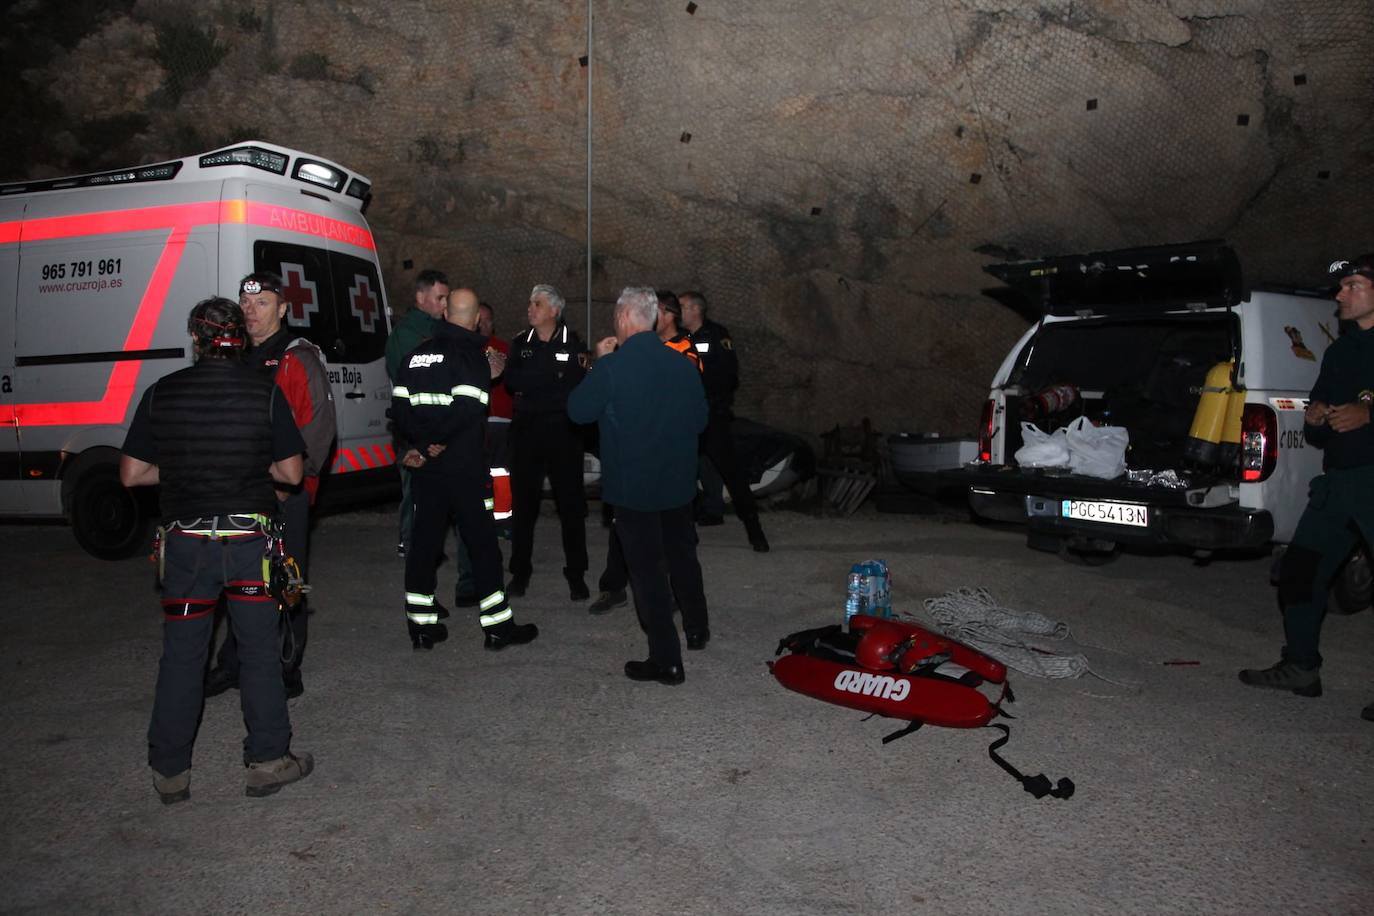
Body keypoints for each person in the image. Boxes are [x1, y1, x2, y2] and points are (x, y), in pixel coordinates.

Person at [120, 296, 313, 803]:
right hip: (249, 541)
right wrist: (246, 470)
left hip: (186, 546)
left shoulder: (162, 393)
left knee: (182, 656)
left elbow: (133, 473)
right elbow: (292, 473)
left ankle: (170, 773)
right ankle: (268, 762)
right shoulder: (263, 393)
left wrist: (185, 472)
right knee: (258, 652)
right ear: (240, 339)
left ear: (196, 339)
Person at [1240, 254, 1374, 722]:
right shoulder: (1340, 351)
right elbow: (1320, 419)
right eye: (1340, 287)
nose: (1340, 294)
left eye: (1352, 285)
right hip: (1339, 481)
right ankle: (1301, 666)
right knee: (1299, 570)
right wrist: (1315, 416)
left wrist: (1368, 415)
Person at [205, 271, 337, 701]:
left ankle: (287, 667)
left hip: (284, 495)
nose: (251, 312)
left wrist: (288, 485)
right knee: (238, 582)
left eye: (262, 303)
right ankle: (232, 664)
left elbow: (318, 430)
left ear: (282, 309)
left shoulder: (297, 358)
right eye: (246, 304)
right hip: (240, 492)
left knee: (286, 581)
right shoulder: (235, 358)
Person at [568, 287, 709, 685]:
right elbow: (700, 421)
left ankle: (667, 660)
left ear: (625, 319)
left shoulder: (612, 367)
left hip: (634, 489)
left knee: (647, 574)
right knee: (683, 556)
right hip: (678, 483)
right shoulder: (683, 364)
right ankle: (697, 628)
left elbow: (577, 410)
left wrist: (598, 362)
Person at [391, 287, 538, 652]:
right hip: (464, 468)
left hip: (427, 470)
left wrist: (420, 447)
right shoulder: (470, 357)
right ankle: (498, 628)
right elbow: (467, 411)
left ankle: (422, 627)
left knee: (424, 543)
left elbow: (400, 411)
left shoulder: (415, 356)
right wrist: (434, 443)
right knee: (483, 545)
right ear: (474, 319)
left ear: (444, 315)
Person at [588, 290, 703, 615]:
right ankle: (618, 589)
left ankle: (670, 613)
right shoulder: (633, 355)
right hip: (642, 466)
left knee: (666, 546)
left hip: (663, 464)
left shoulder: (682, 352)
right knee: (630, 534)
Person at [503, 283, 590, 600]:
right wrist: (551, 375)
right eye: (530, 303)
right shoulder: (520, 343)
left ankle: (577, 573)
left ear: (555, 310)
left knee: (571, 506)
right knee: (524, 507)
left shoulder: (574, 343)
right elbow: (512, 382)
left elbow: (576, 383)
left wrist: (539, 380)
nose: (531, 309)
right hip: (527, 431)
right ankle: (520, 573)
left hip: (563, 432)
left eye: (537, 304)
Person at [678, 290, 770, 552]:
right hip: (686, 419)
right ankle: (688, 527)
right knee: (678, 473)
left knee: (733, 475)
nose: (678, 310)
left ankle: (755, 531)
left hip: (713, 418)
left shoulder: (717, 334)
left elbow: (729, 375)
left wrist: (702, 389)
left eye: (682, 306)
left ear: (696, 309)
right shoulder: (679, 339)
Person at [386, 269, 450, 559]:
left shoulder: (438, 329)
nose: (444, 304)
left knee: (433, 490)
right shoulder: (407, 333)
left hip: (437, 423)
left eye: (447, 298)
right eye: (439, 298)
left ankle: (427, 544)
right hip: (412, 425)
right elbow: (414, 378)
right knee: (414, 488)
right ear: (421, 297)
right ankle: (411, 544)